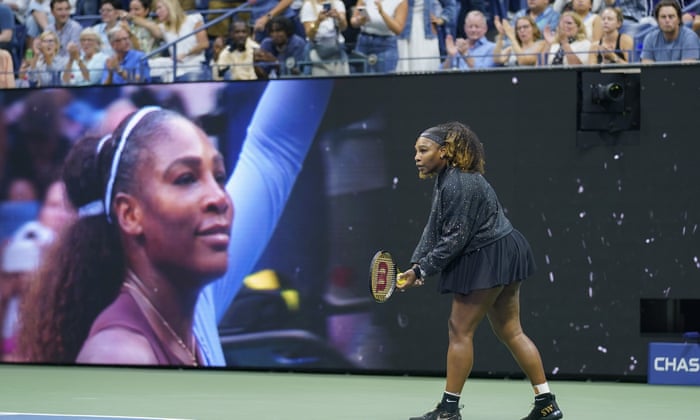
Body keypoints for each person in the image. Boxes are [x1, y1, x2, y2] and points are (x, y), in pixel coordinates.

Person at [17, 80, 334, 365]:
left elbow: (275, 149)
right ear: (130, 214)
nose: (219, 198)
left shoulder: (192, 302)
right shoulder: (120, 356)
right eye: (186, 178)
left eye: (219, 177)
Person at [398, 121, 563, 420]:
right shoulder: (449, 179)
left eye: (424, 150)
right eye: (416, 151)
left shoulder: (459, 184)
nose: (417, 157)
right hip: (506, 247)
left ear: (444, 151)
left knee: (459, 329)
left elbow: (455, 238)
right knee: (511, 330)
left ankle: (448, 411)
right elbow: (434, 228)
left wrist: (422, 271)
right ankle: (546, 403)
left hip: (489, 253)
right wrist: (416, 265)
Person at [129, 0, 209, 81]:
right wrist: (131, 17)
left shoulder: (193, 19)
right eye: (156, 9)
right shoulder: (163, 27)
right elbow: (149, 25)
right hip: (174, 67)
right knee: (147, 69)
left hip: (194, 66)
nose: (157, 12)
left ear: (170, 7)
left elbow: (204, 44)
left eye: (159, 8)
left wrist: (185, 54)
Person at [398, 0, 457, 72]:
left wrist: (441, 19)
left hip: (427, 33)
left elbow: (451, 5)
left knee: (427, 69)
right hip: (403, 33)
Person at [350, 0, 409, 73]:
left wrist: (382, 13)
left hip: (386, 45)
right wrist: (359, 20)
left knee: (383, 82)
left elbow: (398, 29)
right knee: (358, 81)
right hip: (363, 42)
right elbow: (353, 21)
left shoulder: (400, 1)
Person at [300, 0, 350, 76]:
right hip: (315, 49)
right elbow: (310, 34)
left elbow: (344, 27)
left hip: (336, 48)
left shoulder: (338, 3)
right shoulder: (308, 5)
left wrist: (338, 17)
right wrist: (318, 21)